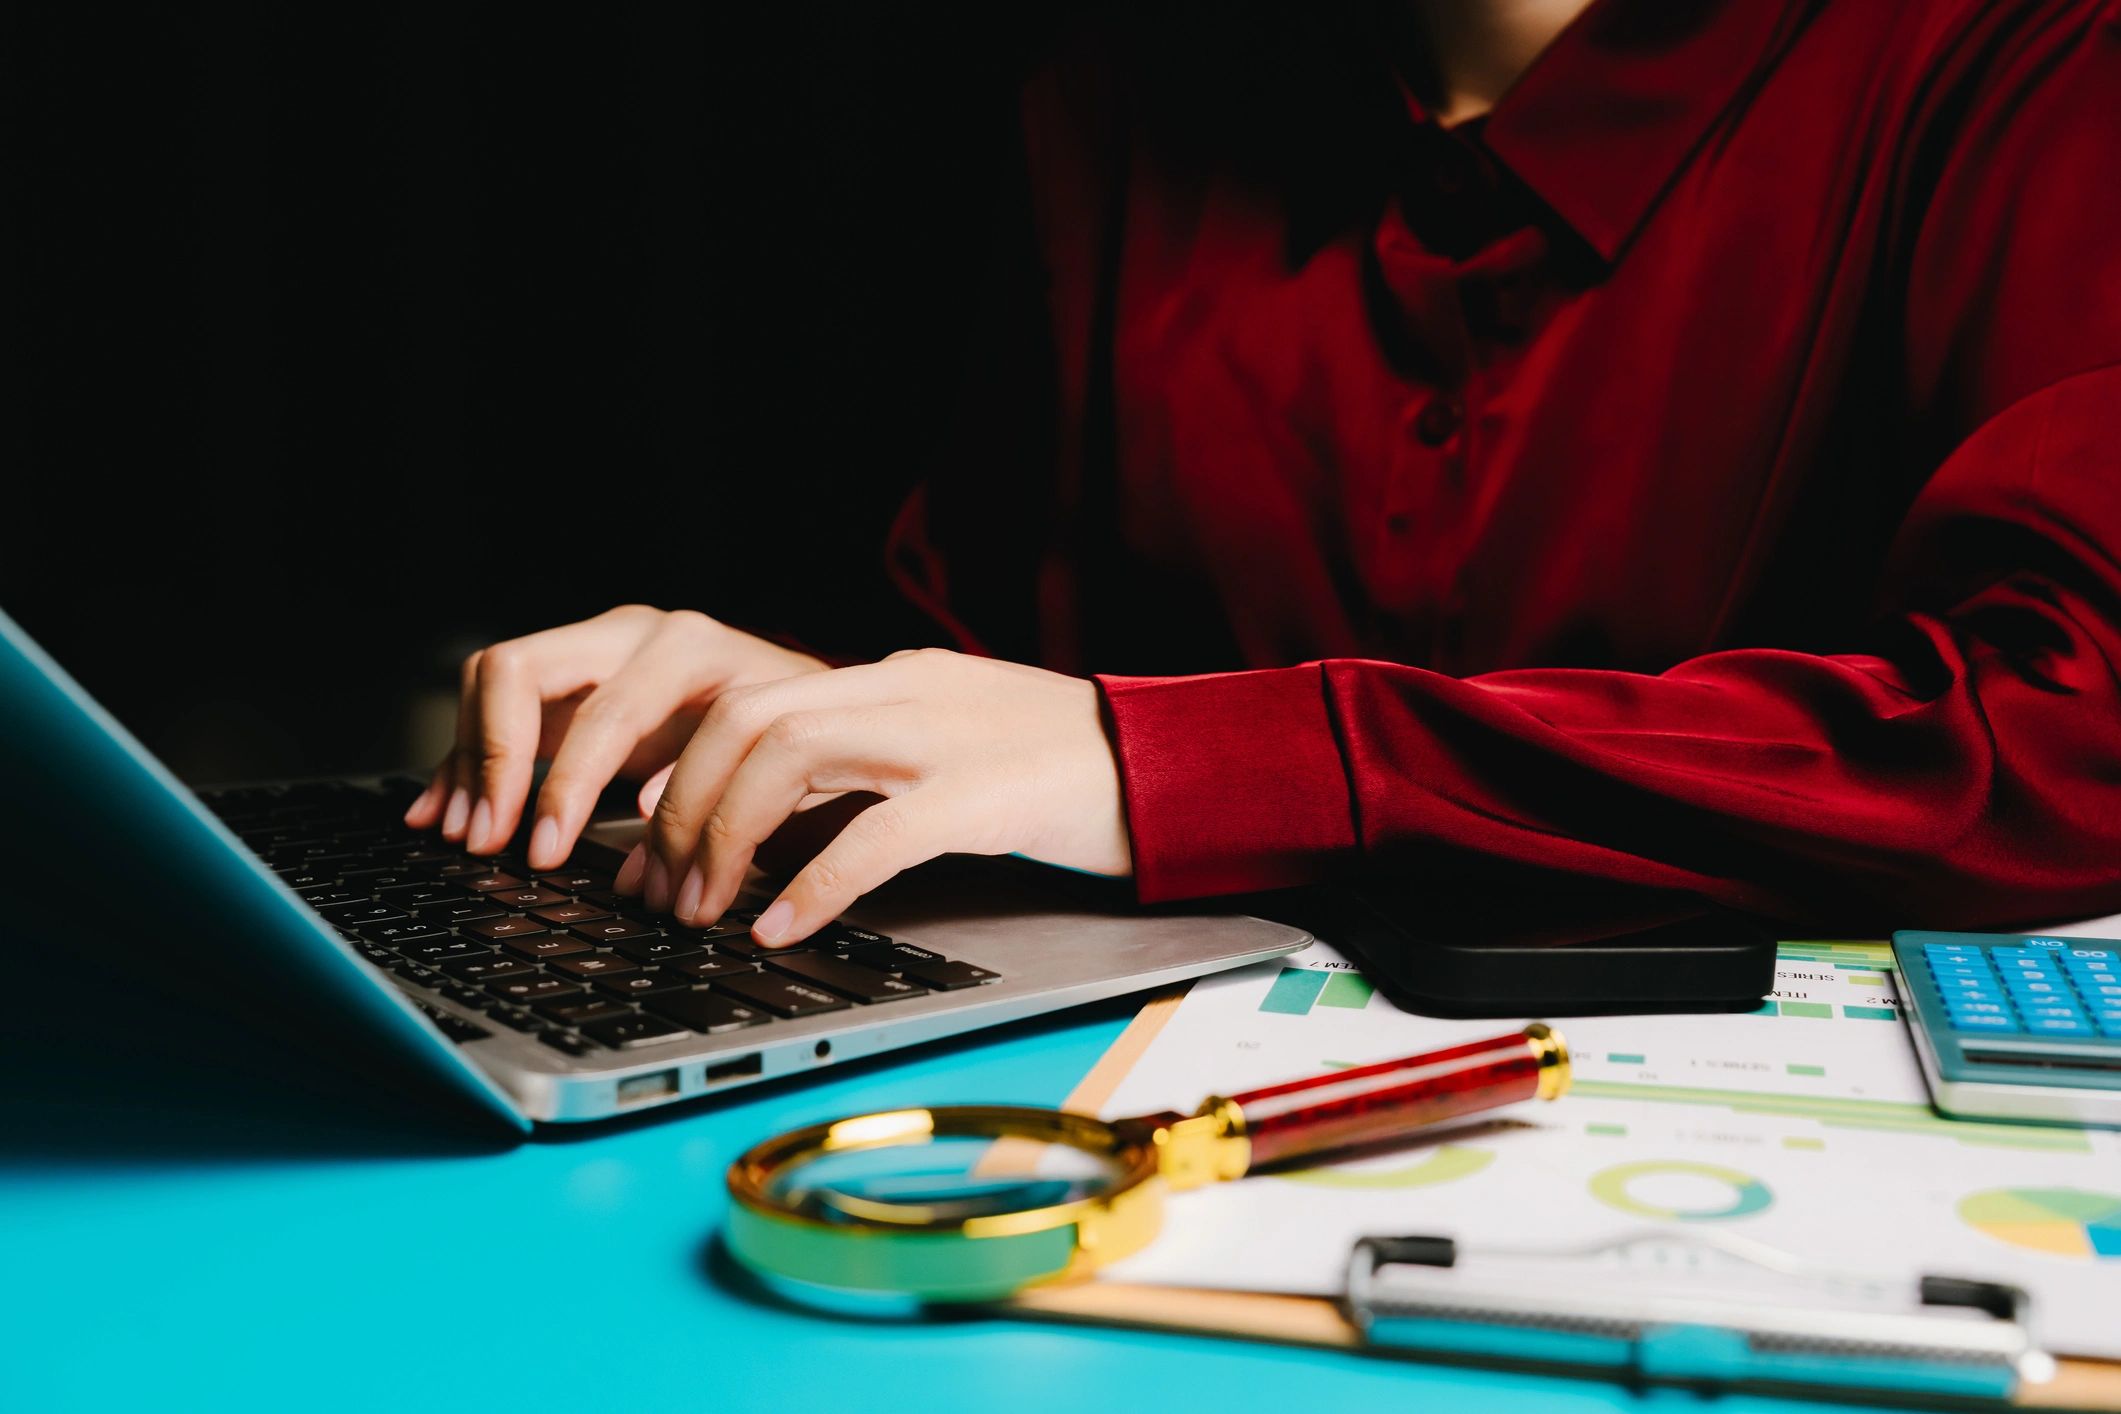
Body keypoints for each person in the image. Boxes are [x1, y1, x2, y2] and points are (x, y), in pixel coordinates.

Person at [406, 0, 2121, 954]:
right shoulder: (1120, 91)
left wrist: (1197, 758)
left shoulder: (2026, 58)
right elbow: (1007, 685)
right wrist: (812, 722)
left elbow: (2071, 733)